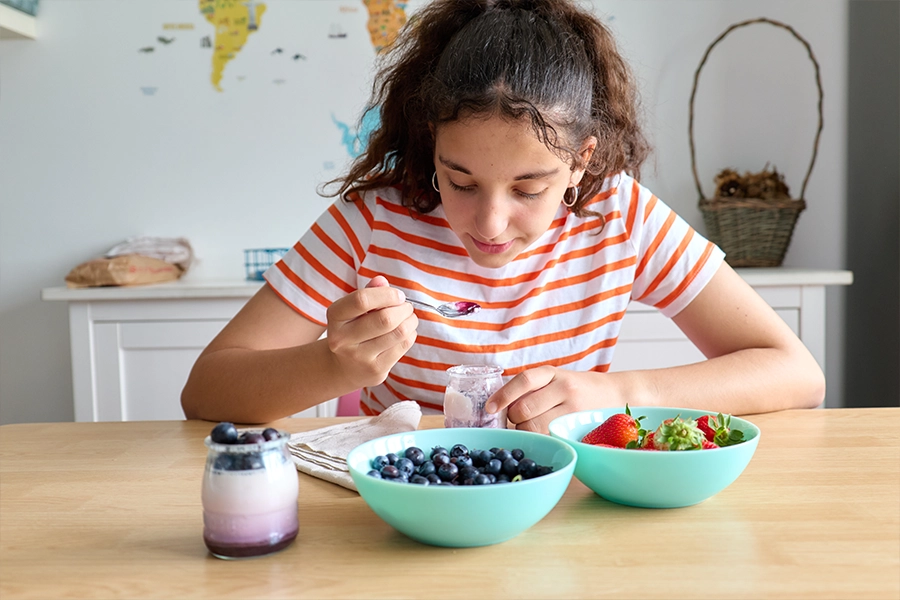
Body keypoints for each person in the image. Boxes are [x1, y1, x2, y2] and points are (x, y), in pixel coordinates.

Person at [181, 0, 825, 432]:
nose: (488, 224)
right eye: (459, 180)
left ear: (580, 162)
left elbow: (796, 373)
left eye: (528, 187)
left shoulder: (618, 214)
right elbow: (205, 391)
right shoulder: (373, 222)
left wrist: (622, 393)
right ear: (431, 142)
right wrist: (332, 366)